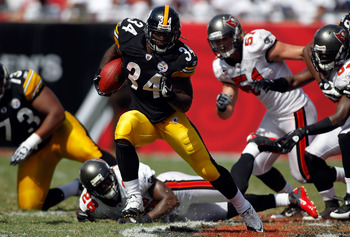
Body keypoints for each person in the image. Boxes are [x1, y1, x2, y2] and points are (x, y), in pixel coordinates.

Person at [93, 5, 263, 232]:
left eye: (168, 35)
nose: (163, 40)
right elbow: (115, 50)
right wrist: (103, 73)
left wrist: (169, 93)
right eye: (159, 34)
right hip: (142, 115)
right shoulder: (129, 33)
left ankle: (245, 208)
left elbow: (186, 102)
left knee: (209, 170)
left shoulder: (181, 57)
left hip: (170, 119)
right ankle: (133, 198)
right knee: (123, 127)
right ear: (148, 30)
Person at [206, 14, 318, 218]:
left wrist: (317, 76)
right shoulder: (221, 67)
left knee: (302, 173)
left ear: (237, 34)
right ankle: (294, 200)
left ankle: (342, 186)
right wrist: (222, 106)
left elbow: (304, 53)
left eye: (225, 38)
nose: (221, 45)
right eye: (217, 41)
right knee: (257, 166)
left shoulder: (255, 45)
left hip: (295, 107)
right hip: (274, 115)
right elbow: (226, 112)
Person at [250, 23, 348, 219]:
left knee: (346, 137)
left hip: (345, 121)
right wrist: (271, 83)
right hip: (347, 121)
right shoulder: (329, 63)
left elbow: (339, 118)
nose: (321, 59)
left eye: (326, 54)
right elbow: (295, 81)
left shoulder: (347, 70)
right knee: (311, 156)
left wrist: (303, 131)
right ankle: (330, 205)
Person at [0, 64, 117, 211]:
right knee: (30, 205)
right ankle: (76, 187)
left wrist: (29, 143)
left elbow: (56, 113)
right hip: (36, 152)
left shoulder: (20, 84)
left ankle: (130, 185)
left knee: (94, 155)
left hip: (60, 133)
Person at [76, 158, 318, 222]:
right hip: (173, 214)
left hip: (176, 192)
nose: (108, 187)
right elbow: (83, 214)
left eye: (108, 181)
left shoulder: (131, 176)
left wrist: (145, 220)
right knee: (229, 211)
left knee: (236, 188)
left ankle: (252, 150)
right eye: (102, 187)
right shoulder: (90, 206)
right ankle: (291, 197)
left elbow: (169, 199)